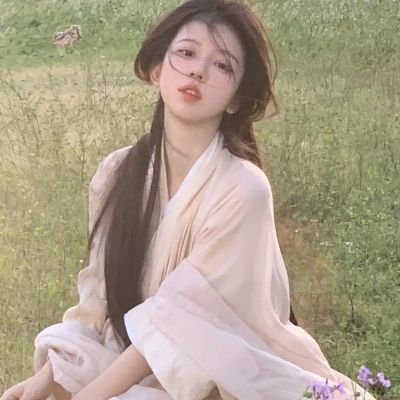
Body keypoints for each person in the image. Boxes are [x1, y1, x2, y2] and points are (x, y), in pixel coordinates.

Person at [1, 0, 377, 399]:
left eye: (222, 65)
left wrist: (86, 397)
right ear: (157, 70)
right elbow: (98, 303)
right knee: (53, 372)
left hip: (219, 375)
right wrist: (49, 377)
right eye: (186, 53)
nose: (198, 70)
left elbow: (179, 321)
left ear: (235, 99)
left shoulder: (243, 188)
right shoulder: (117, 172)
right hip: (137, 358)